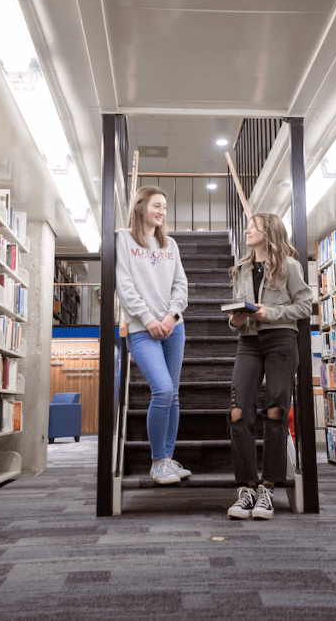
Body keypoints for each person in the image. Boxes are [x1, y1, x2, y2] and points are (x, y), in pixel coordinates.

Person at [225, 213, 312, 519]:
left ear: (269, 232)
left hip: (280, 343)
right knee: (238, 412)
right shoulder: (241, 269)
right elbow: (237, 310)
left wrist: (269, 313)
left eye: (254, 226)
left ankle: (268, 489)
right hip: (248, 343)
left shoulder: (289, 265)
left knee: (276, 411)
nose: (247, 230)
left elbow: (304, 305)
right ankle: (246, 489)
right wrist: (235, 320)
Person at [115, 186, 190, 484]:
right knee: (161, 389)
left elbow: (180, 286)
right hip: (142, 329)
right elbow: (124, 285)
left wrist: (171, 317)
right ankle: (157, 461)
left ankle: (169, 459)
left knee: (173, 395)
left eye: (165, 207)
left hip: (173, 327)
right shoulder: (123, 238)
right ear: (140, 207)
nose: (161, 211)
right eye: (157, 205)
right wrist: (148, 319)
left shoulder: (169, 244)